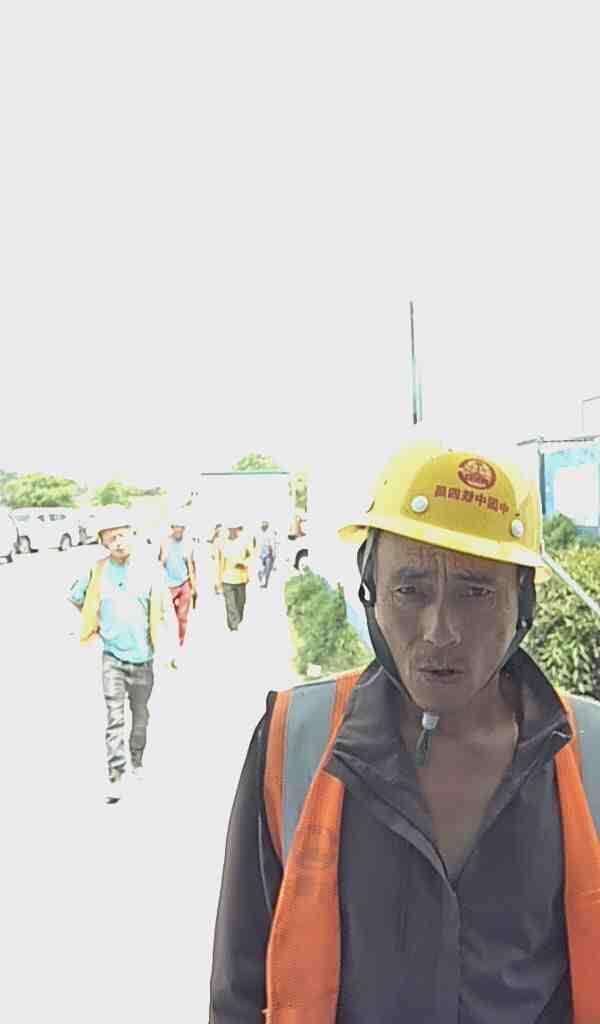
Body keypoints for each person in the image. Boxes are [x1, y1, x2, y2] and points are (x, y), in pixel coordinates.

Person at [209, 439, 600, 1022]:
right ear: (370, 591)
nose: (440, 631)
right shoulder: (295, 740)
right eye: (409, 590)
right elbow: (241, 986)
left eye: (476, 592)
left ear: (522, 601)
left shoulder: (589, 750)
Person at [69, 505, 178, 804]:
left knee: (140, 716)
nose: (118, 542)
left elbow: (165, 612)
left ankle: (137, 758)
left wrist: (171, 651)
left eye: (122, 535)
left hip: (143, 658)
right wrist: (95, 622)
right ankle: (115, 775)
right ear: (103, 542)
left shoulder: (150, 571)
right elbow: (76, 597)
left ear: (132, 534)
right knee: (114, 717)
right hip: (112, 658)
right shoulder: (97, 570)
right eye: (111, 538)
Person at [159, 513, 197, 646]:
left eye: (181, 527)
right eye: (177, 527)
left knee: (182, 617)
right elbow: (160, 564)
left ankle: (181, 641)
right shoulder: (165, 543)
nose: (179, 530)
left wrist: (194, 587)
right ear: (172, 527)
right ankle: (170, 639)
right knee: (168, 616)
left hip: (184, 583)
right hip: (169, 585)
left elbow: (190, 566)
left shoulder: (188, 544)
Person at [216, 522, 253, 631]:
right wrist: (218, 582)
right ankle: (233, 628)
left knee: (241, 604)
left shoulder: (245, 542)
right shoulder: (223, 544)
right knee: (230, 605)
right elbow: (220, 563)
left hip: (241, 579)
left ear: (238, 529)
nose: (233, 531)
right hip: (227, 579)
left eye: (235, 528)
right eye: (231, 529)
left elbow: (252, 557)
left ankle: (237, 621)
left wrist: (244, 564)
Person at [257, 520, 276, 589]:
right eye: (262, 526)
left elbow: (272, 545)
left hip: (268, 554)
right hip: (264, 554)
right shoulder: (260, 534)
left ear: (267, 526)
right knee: (265, 569)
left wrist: (272, 555)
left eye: (265, 526)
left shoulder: (270, 534)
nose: (263, 527)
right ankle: (263, 581)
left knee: (268, 569)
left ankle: (265, 582)